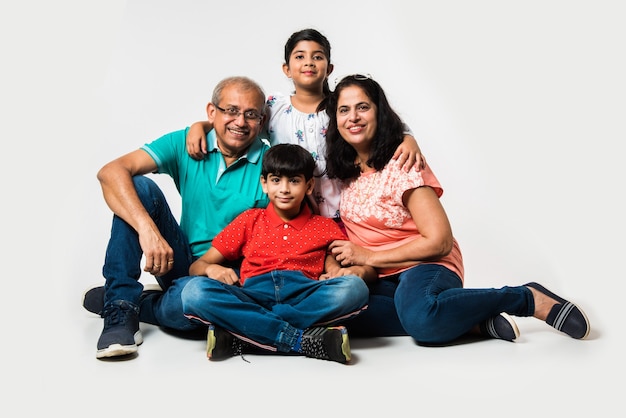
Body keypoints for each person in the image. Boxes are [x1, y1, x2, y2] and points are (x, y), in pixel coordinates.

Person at [324, 74, 591, 344]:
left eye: (363, 107)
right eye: (344, 110)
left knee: (422, 320)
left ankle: (526, 298)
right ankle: (471, 321)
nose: (353, 117)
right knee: (337, 312)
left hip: (423, 265)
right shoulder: (341, 174)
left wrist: (368, 257)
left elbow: (439, 242)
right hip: (380, 277)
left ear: (379, 113)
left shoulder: (403, 163)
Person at [82, 76, 272, 359]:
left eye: (251, 114)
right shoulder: (188, 142)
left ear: (261, 119)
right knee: (137, 186)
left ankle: (139, 303)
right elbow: (110, 172)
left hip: (229, 275)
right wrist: (147, 230)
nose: (240, 122)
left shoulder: (272, 164)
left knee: (195, 306)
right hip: (181, 261)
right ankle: (120, 309)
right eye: (231, 110)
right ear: (211, 112)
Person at [185, 28, 425, 223]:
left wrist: (407, 137)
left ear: (329, 68)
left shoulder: (340, 106)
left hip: (345, 209)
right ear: (286, 69)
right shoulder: (274, 108)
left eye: (317, 56)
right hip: (296, 210)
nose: (308, 62)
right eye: (299, 56)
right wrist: (201, 125)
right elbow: (243, 120)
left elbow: (383, 121)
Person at [181, 143, 371, 364]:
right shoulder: (249, 219)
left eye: (294, 181)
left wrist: (351, 272)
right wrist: (212, 268)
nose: (284, 189)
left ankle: (247, 335)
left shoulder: (324, 226)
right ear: (264, 183)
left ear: (309, 186)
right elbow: (196, 267)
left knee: (354, 289)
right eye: (276, 180)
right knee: (193, 292)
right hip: (253, 296)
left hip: (304, 296)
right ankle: (298, 339)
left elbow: (360, 270)